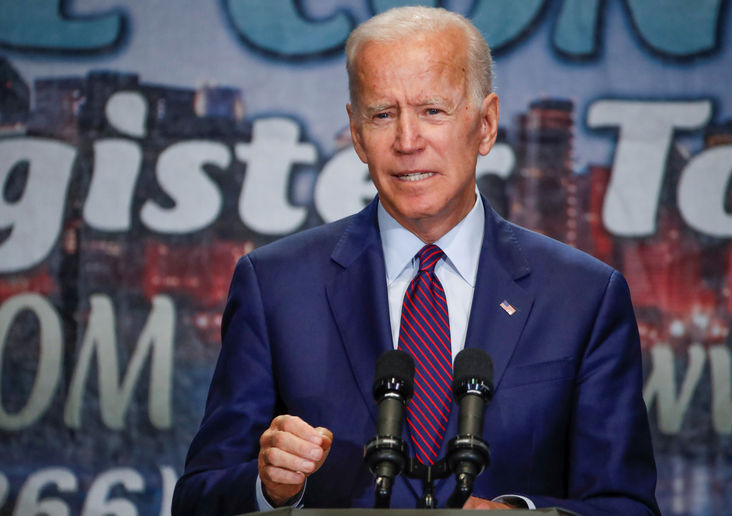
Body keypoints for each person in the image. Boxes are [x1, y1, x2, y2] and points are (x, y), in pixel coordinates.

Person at [173, 6, 659, 515]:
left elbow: (627, 506)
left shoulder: (583, 296)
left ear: (486, 124)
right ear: (357, 134)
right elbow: (196, 500)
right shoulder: (275, 286)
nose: (408, 141)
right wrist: (270, 488)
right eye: (383, 114)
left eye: (433, 111)